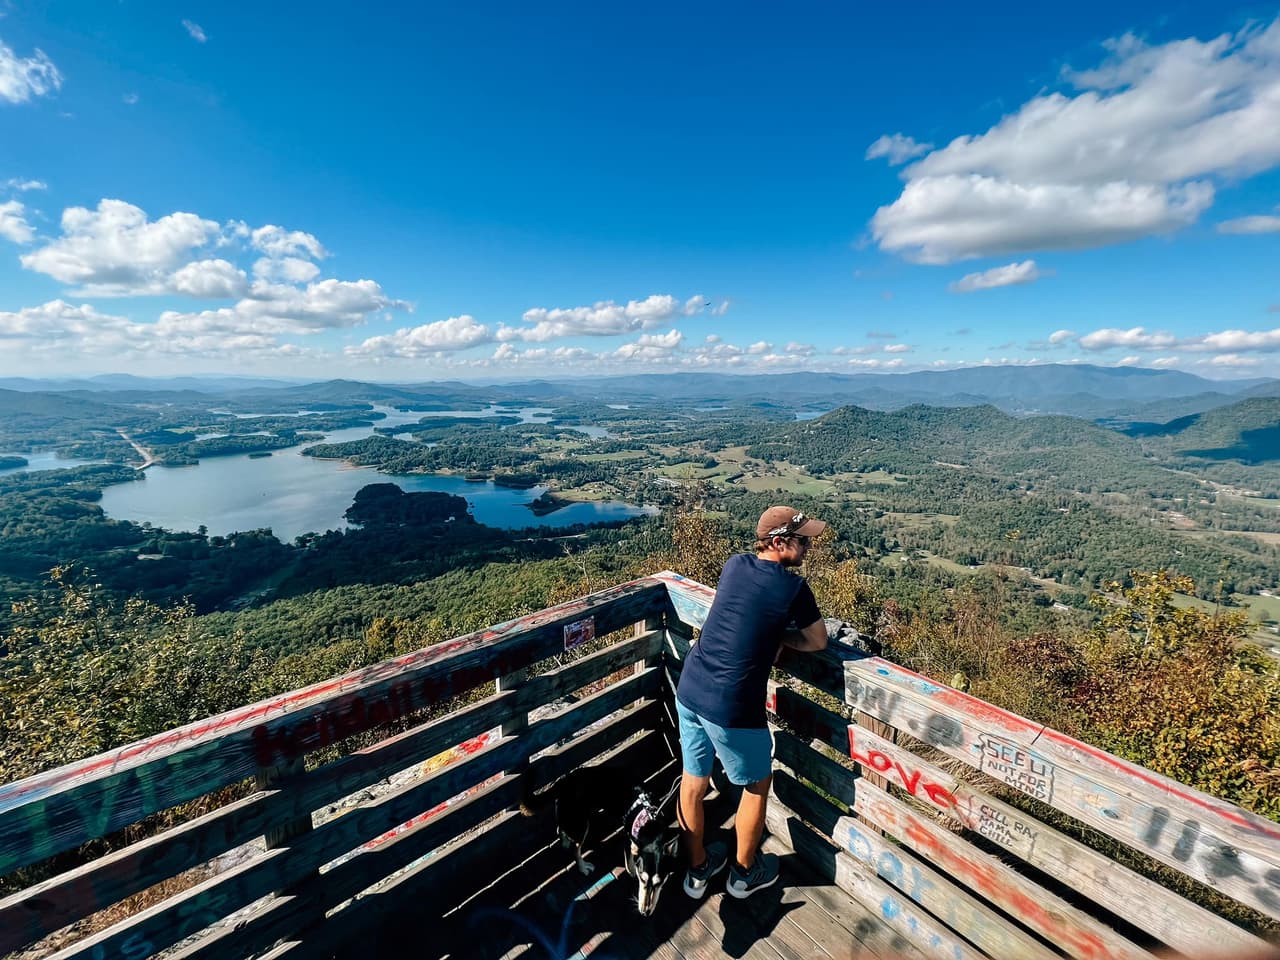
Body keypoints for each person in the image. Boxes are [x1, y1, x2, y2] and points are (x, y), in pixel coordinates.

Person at [675, 505, 829, 900]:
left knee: (693, 781)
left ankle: (697, 871)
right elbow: (818, 642)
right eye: (803, 539)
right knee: (757, 784)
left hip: (690, 687)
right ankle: (744, 874)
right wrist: (784, 640)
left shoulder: (734, 565)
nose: (808, 545)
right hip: (732, 704)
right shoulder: (793, 588)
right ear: (779, 542)